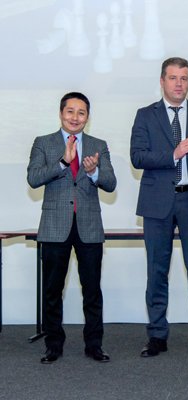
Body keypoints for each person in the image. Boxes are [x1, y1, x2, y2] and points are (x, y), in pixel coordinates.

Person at [130, 57, 188, 357]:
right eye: (173, 78)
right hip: (157, 202)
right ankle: (157, 335)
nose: (178, 83)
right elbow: (137, 157)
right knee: (156, 272)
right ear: (162, 81)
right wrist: (174, 153)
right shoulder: (145, 115)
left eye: (184, 78)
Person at [27, 92, 117, 364]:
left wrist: (93, 172)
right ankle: (53, 345)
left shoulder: (98, 145)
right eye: (70, 111)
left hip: (89, 226)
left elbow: (110, 183)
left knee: (92, 290)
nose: (75, 117)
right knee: (52, 291)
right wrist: (63, 163)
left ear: (87, 117)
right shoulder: (43, 143)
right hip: (55, 226)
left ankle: (94, 345)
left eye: (81, 112)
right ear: (61, 113)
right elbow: (33, 178)